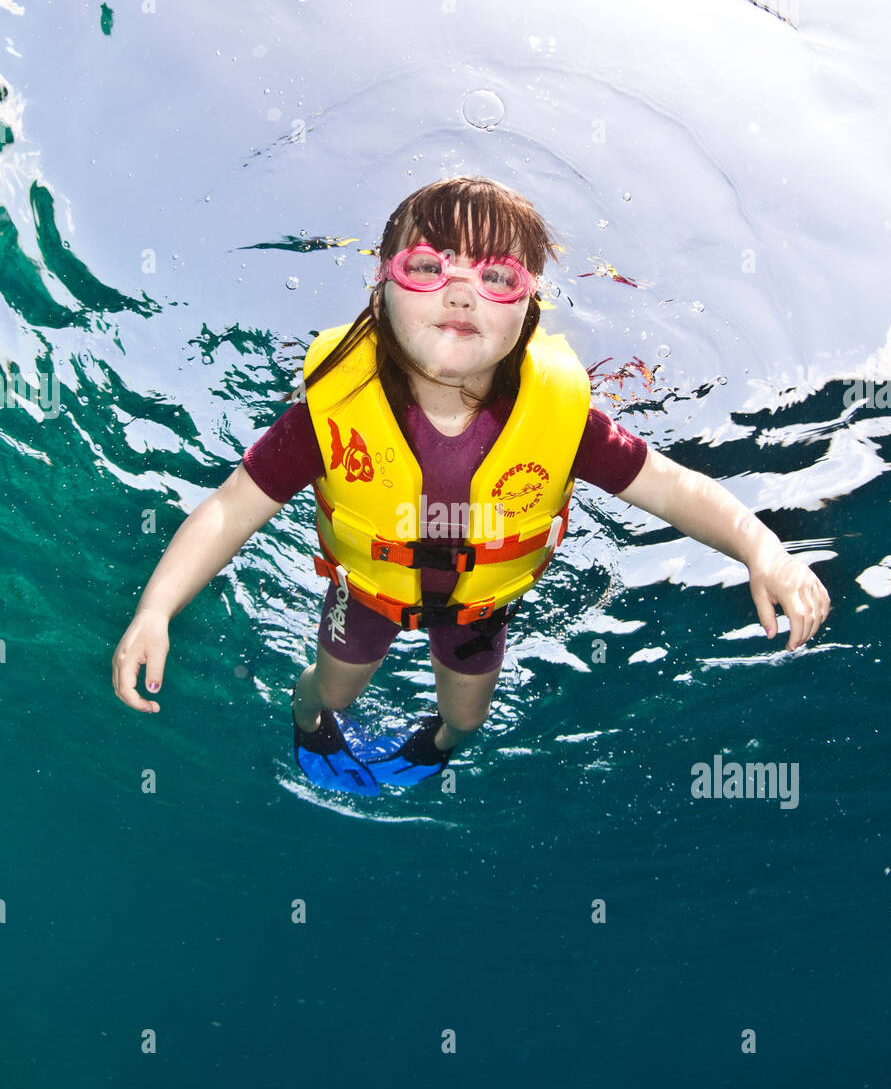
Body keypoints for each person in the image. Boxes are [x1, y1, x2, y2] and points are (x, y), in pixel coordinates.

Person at [112, 175, 831, 793]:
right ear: (381, 289)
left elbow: (676, 490)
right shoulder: (329, 414)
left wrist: (762, 551)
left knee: (467, 716)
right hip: (365, 590)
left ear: (528, 310)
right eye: (428, 266)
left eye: (496, 276)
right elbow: (230, 511)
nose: (461, 291)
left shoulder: (562, 421)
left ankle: (439, 744)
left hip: (479, 607)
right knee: (328, 688)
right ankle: (310, 724)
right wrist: (156, 610)